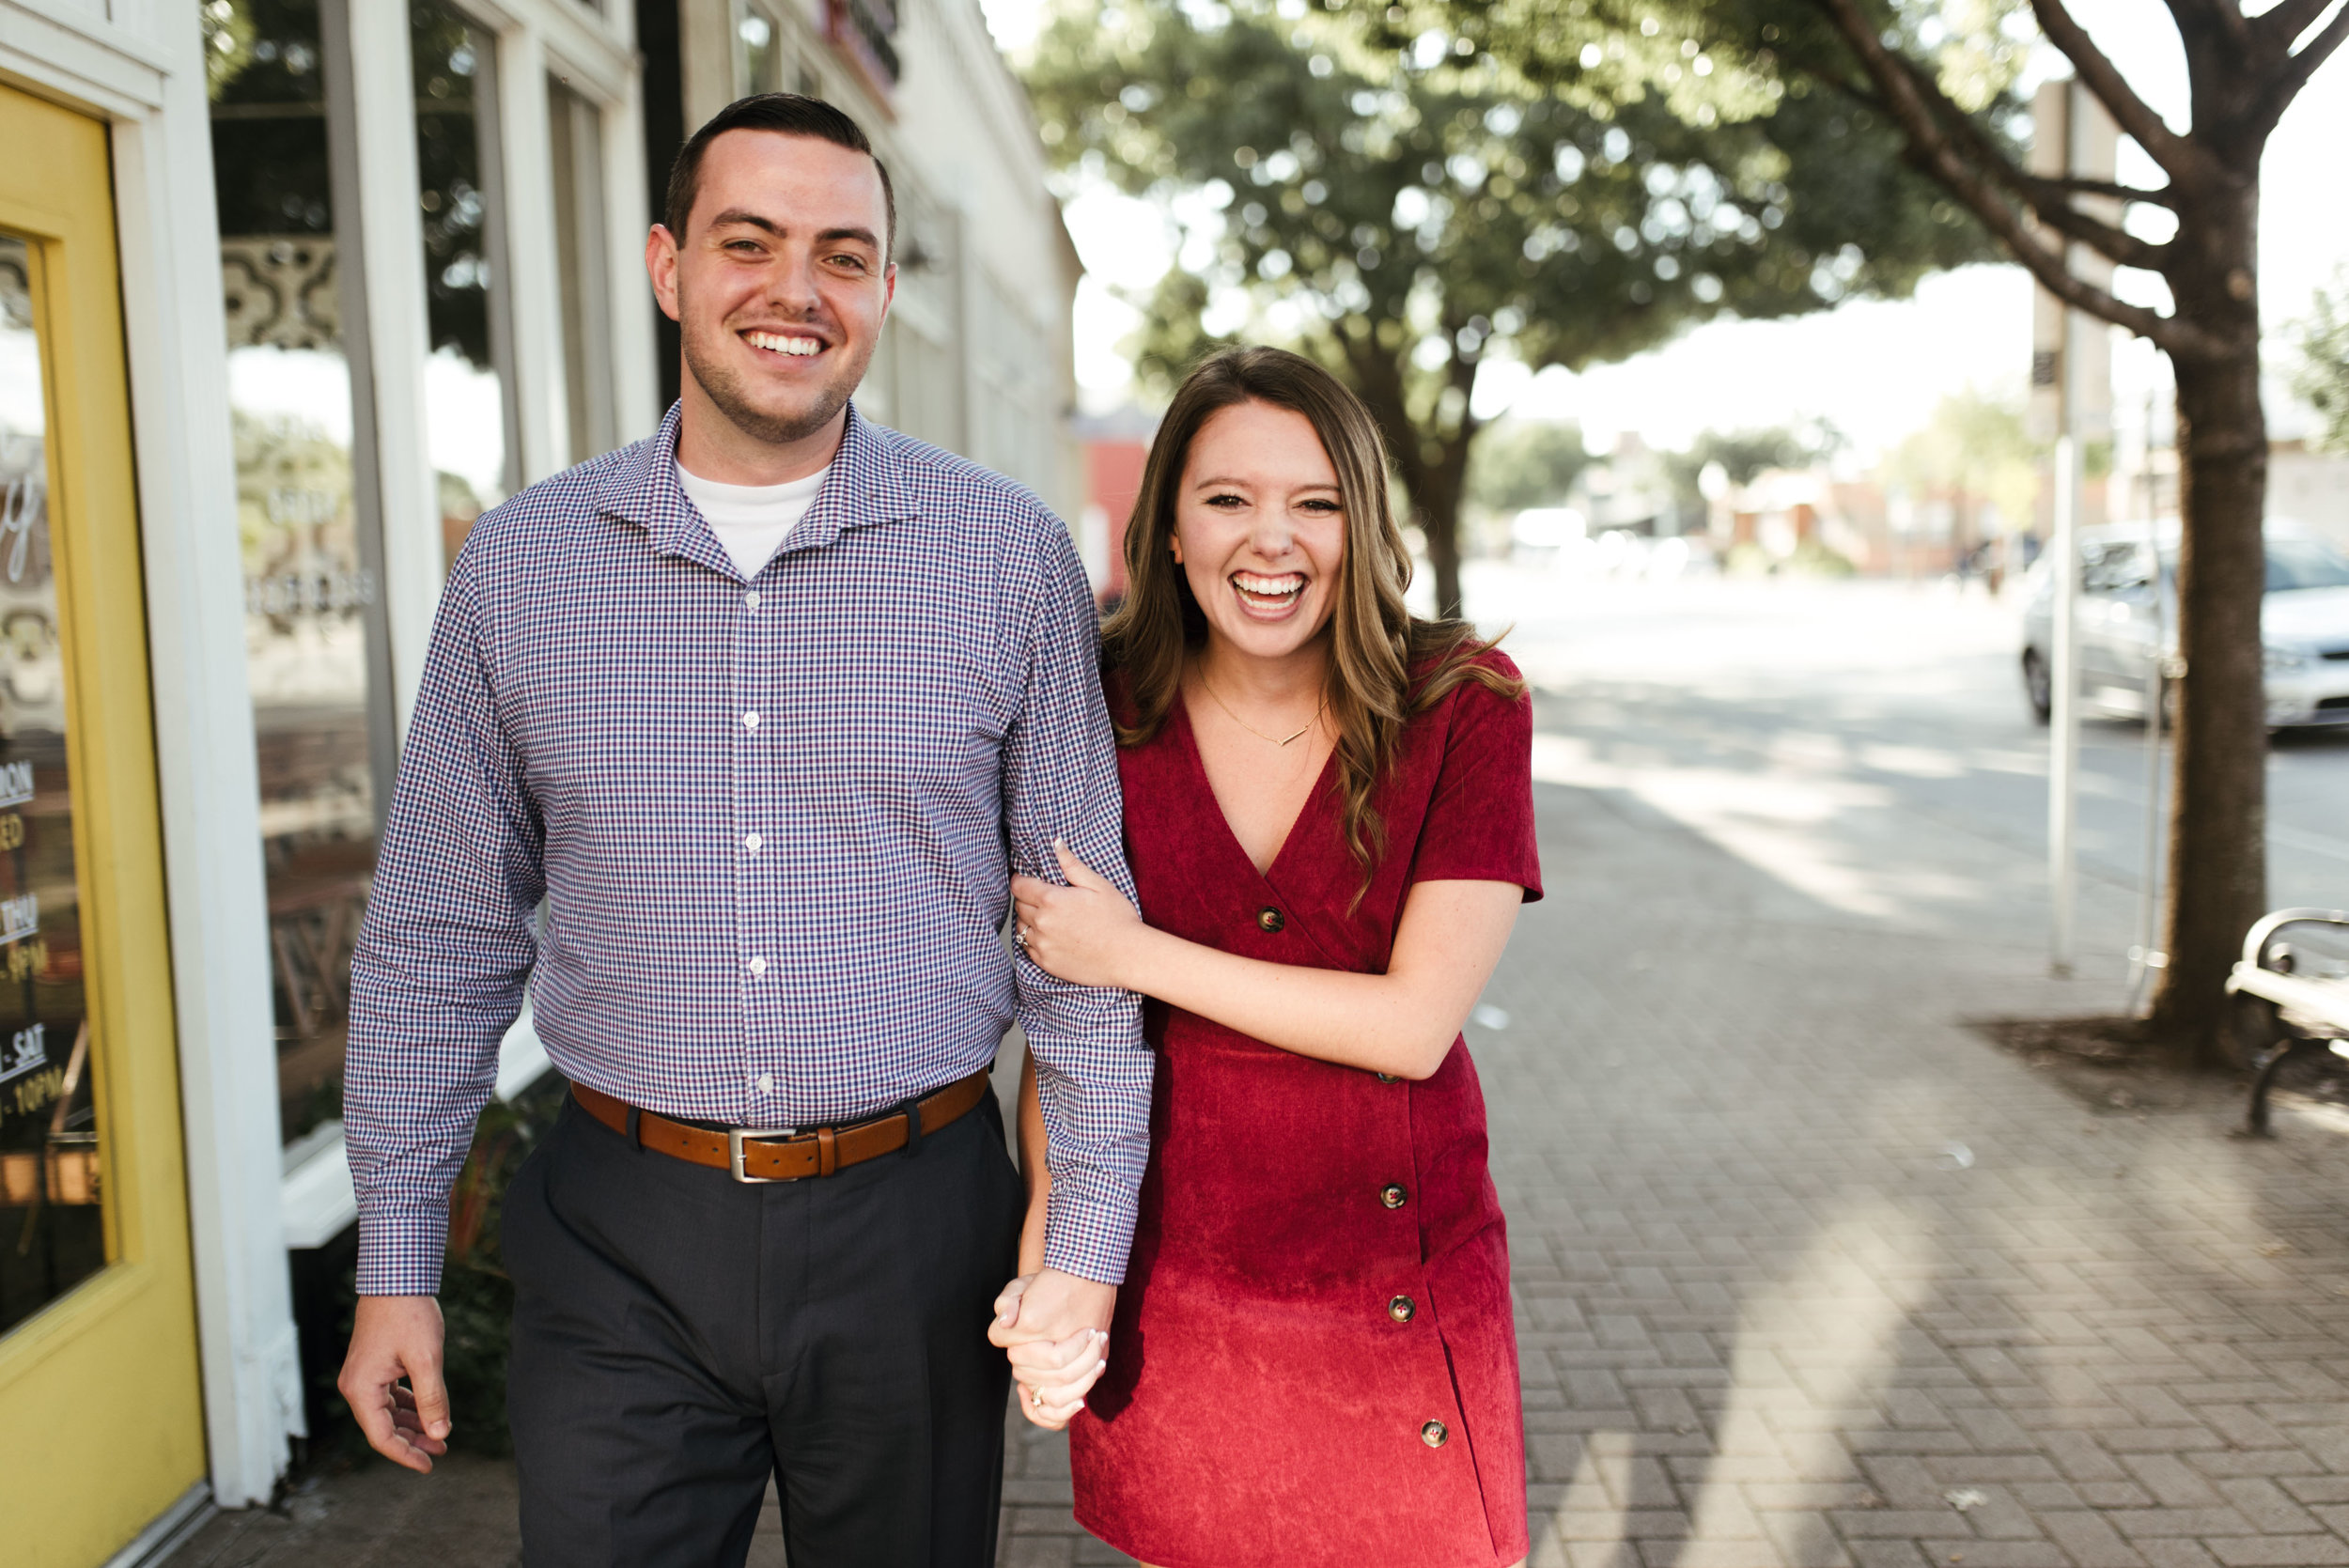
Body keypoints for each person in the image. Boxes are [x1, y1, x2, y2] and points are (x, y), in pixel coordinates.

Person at [334, 93, 1151, 1566]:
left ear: (887, 290)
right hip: (618, 1237)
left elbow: (1083, 947)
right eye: (749, 242)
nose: (796, 290)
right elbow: (438, 941)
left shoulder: (1007, 555)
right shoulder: (524, 565)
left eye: (844, 254)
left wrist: (1084, 1248)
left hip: (920, 1229)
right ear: (668, 265)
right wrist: (395, 1263)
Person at [992, 347, 1540, 1568]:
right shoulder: (1097, 703)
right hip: (1184, 1288)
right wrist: (1050, 1272)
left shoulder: (1463, 702)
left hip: (1395, 1286)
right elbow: (1073, 1027)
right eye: (1227, 498)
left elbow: (1412, 1024)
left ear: (1363, 522)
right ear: (1168, 530)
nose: (1271, 539)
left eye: (1316, 501)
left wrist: (1135, 952)